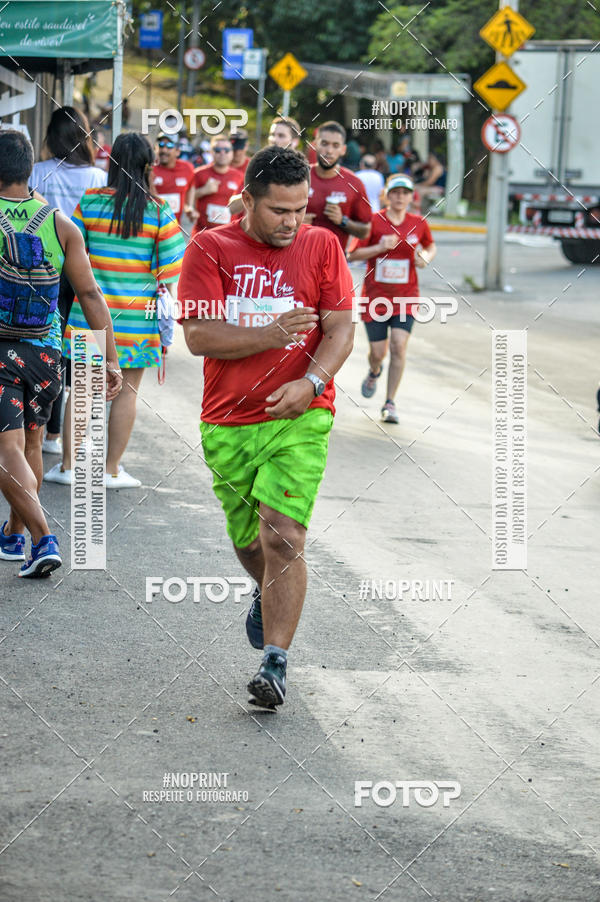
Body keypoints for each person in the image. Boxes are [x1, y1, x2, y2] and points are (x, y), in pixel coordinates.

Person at [179, 146, 355, 708]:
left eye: (300, 209)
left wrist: (312, 383)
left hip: (301, 417)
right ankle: (264, 589)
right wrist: (274, 334)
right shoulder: (210, 247)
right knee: (251, 543)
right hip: (228, 420)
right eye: (280, 210)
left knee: (284, 536)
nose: (292, 221)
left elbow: (340, 328)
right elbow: (200, 337)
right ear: (248, 200)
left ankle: (275, 664)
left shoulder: (323, 246)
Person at [0, 129, 121, 576]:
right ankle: (13, 536)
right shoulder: (59, 224)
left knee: (5, 448)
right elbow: (90, 294)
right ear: (28, 169)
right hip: (49, 354)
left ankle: (42, 538)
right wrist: (110, 358)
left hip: (2, 354)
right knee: (32, 440)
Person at [44, 133, 185, 489]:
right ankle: (110, 471)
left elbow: (70, 254)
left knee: (85, 391)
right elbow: (169, 271)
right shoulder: (158, 211)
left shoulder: (90, 203)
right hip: (137, 321)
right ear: (148, 166)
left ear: (110, 162)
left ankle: (69, 466)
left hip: (88, 315)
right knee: (127, 396)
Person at [29, 106, 108, 456]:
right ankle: (61, 440)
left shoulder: (38, 172)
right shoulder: (97, 176)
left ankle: (45, 426)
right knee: (81, 348)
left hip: (43, 268)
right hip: (83, 267)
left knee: (47, 342)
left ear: (51, 137)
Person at [348, 174, 436, 425]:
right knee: (378, 352)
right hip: (375, 298)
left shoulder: (418, 223)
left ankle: (390, 402)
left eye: (405, 193)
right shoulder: (374, 222)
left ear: (411, 197)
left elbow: (430, 246)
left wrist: (426, 258)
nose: (399, 197)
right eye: (395, 192)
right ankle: (375, 371)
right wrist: (379, 248)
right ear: (386, 195)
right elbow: (353, 255)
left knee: (398, 346)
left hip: (406, 297)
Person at [304, 121, 371, 251]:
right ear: (315, 145)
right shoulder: (299, 176)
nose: (329, 151)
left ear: (343, 150)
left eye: (335, 146)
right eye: (324, 144)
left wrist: (343, 221)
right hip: (300, 259)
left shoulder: (354, 183)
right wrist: (296, 222)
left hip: (335, 262)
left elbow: (365, 231)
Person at [191, 134, 244, 233]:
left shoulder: (240, 176)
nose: (222, 153)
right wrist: (203, 191)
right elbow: (185, 198)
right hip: (202, 233)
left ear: (232, 153)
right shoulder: (198, 173)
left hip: (228, 234)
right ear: (211, 152)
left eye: (226, 150)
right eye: (217, 150)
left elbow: (246, 203)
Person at [152, 132, 196, 224]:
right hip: (151, 225)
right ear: (156, 148)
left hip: (174, 228)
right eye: (161, 145)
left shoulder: (187, 168)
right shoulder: (149, 168)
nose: (164, 150)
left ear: (178, 151)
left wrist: (189, 206)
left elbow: (191, 186)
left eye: (169, 146)